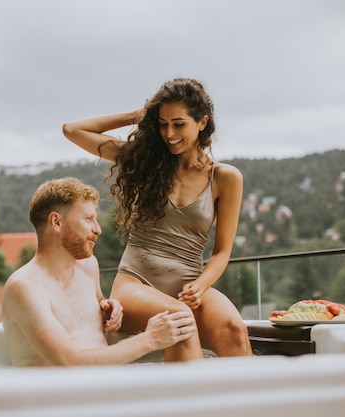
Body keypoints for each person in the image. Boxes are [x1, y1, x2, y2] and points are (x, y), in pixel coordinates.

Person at [62, 78, 252, 362]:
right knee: (179, 320)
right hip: (135, 285)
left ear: (202, 122)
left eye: (178, 124)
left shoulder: (226, 178)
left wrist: (200, 285)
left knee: (234, 329)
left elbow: (222, 252)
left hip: (189, 285)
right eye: (162, 124)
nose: (169, 133)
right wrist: (138, 115)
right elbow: (72, 130)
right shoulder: (143, 161)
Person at [1, 177, 196, 367]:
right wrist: (150, 339)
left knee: (182, 323)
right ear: (56, 222)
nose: (98, 229)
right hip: (59, 397)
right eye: (88, 219)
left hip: (103, 387)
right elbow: (67, 362)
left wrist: (109, 310)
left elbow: (91, 325)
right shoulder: (24, 286)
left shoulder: (88, 266)